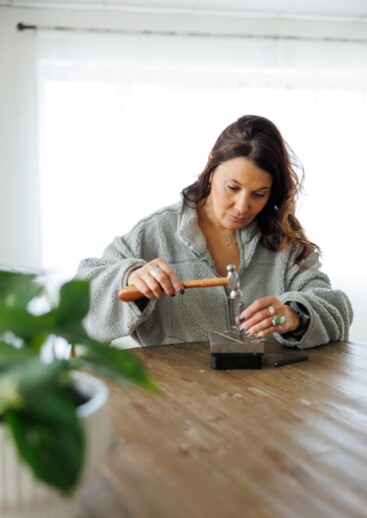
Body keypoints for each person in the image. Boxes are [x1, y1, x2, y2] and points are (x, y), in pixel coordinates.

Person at [76, 115, 353, 349]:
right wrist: (128, 275)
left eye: (259, 194)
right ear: (210, 168)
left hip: (268, 398)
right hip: (179, 400)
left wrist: (295, 315)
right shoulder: (154, 233)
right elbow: (84, 296)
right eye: (232, 188)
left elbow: (337, 308)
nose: (243, 207)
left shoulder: (283, 241)